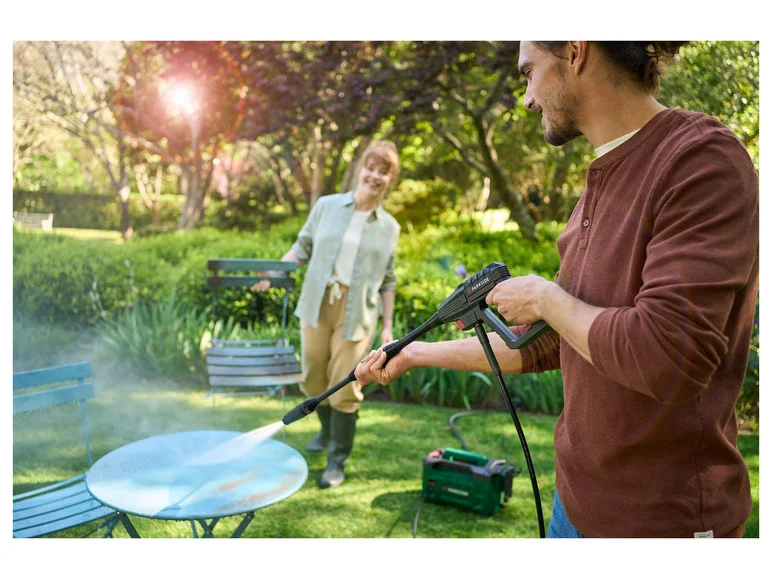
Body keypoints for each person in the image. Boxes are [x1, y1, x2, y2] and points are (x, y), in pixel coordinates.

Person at [356, 42, 758, 538]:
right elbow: (552, 342)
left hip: (659, 523)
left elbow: (669, 357)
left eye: (529, 72)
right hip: (572, 503)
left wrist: (547, 298)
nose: (526, 98)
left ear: (575, 49)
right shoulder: (596, 185)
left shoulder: (699, 159)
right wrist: (415, 353)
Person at [252, 140, 401, 489]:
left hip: (357, 312)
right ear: (359, 169)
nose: (375, 176)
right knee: (313, 377)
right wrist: (273, 273)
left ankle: (337, 459)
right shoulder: (327, 206)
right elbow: (302, 246)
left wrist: (387, 325)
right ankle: (325, 431)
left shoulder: (390, 227)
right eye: (371, 168)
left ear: (390, 180)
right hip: (317, 302)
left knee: (345, 384)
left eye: (384, 172)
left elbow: (389, 279)